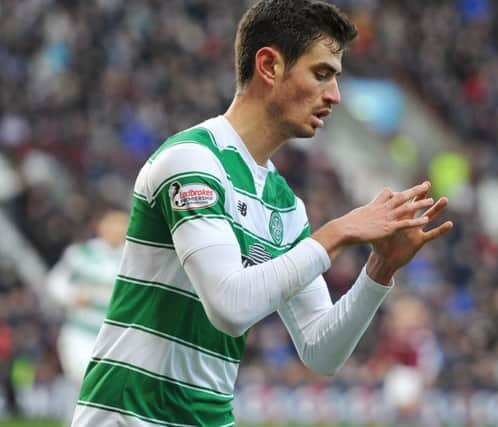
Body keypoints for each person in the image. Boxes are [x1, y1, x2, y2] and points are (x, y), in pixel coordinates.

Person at [71, 1, 453, 426]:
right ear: (269, 65)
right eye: (321, 74)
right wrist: (336, 234)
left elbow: (321, 351)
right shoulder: (191, 161)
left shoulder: (284, 204)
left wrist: (379, 270)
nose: (335, 96)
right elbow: (230, 307)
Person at [46, 210, 128, 416]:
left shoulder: (132, 258)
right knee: (84, 382)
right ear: (101, 227)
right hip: (80, 333)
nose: (117, 230)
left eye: (122, 225)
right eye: (113, 224)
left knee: (108, 392)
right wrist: (73, 295)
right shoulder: (82, 253)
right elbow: (54, 283)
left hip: (115, 336)